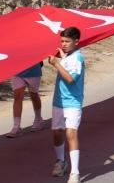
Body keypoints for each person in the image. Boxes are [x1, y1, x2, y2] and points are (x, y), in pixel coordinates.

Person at [48, 27, 85, 183]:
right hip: (58, 102)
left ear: (76, 41)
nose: (63, 44)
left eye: (67, 41)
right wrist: (62, 59)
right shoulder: (67, 56)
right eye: (62, 41)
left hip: (73, 102)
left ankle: (75, 173)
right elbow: (66, 64)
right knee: (57, 132)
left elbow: (70, 79)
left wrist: (56, 64)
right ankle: (61, 161)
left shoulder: (78, 58)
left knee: (71, 133)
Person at [6, 62, 44, 138]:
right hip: (17, 71)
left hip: (33, 71)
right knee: (17, 96)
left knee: (34, 95)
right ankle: (16, 126)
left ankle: (38, 119)